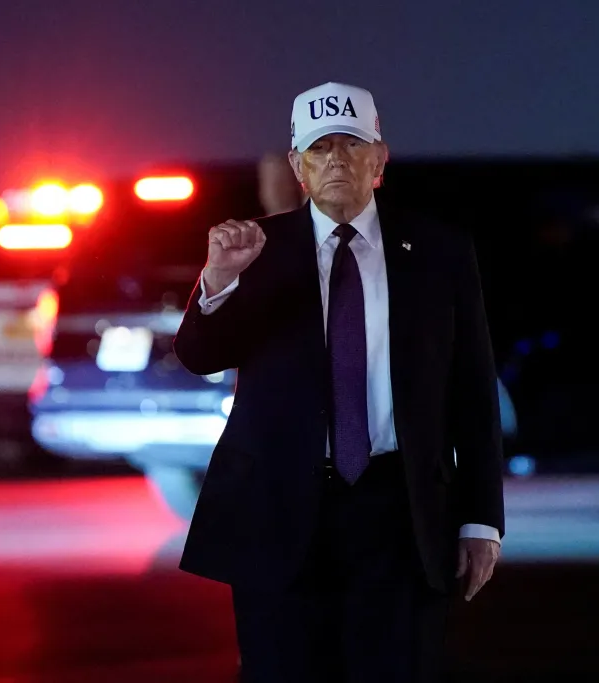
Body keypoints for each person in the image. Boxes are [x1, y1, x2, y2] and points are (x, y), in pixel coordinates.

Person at [173, 82, 505, 682]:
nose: (336, 162)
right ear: (297, 166)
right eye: (320, 149)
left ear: (380, 160)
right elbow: (200, 355)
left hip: (400, 514)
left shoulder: (438, 251)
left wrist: (481, 519)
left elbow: (473, 393)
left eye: (351, 146)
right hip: (279, 512)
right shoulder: (257, 249)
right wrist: (218, 281)